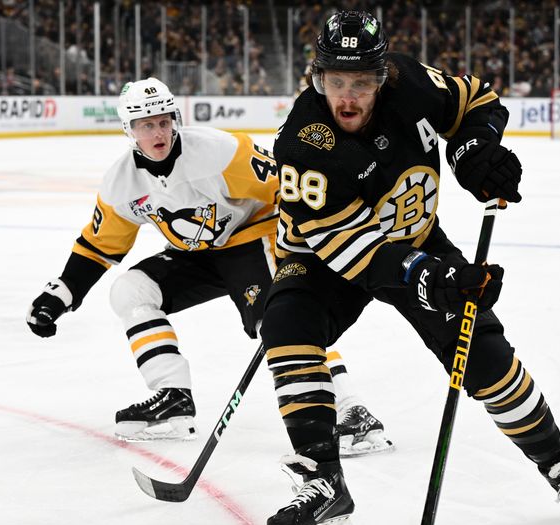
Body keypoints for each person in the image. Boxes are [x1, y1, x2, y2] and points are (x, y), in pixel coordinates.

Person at [259, 11, 560, 525]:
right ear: (318, 79)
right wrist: (424, 276)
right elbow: (352, 251)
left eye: (361, 82)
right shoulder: (303, 146)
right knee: (285, 323)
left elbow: (479, 99)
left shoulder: (414, 85)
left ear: (383, 78)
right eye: (337, 82)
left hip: (416, 236)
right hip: (322, 254)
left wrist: (474, 149)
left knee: (483, 354)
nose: (349, 97)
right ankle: (324, 484)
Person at [26, 77, 392, 456]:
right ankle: (172, 397)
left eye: (164, 121)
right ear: (129, 129)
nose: (159, 131)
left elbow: (290, 188)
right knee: (130, 290)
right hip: (195, 252)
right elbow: (100, 245)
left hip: (252, 237)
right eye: (147, 124)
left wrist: (311, 242)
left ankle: (352, 411)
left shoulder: (220, 152)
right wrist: (61, 294)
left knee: (283, 321)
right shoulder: (121, 183)